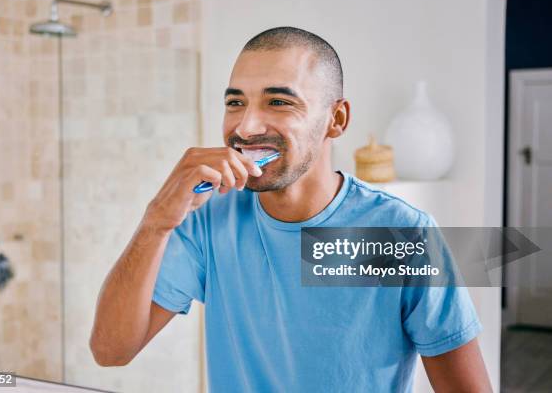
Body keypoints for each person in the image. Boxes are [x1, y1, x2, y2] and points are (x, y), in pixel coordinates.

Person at [89, 26, 492, 392]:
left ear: (336, 119)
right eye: (235, 103)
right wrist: (157, 220)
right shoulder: (208, 220)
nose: (246, 128)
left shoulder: (401, 233)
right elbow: (110, 350)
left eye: (278, 102)